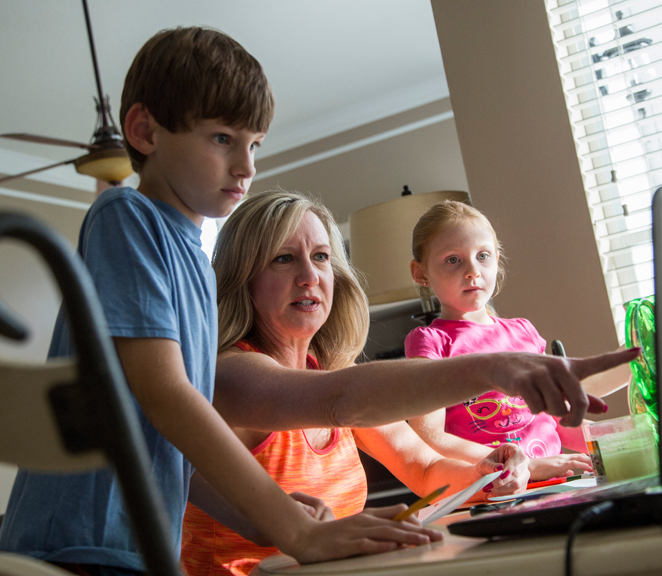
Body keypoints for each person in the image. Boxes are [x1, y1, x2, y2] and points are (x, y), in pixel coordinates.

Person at [0, 27, 443, 576]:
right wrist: (291, 527)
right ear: (143, 130)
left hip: (140, 553)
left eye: (253, 144)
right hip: (77, 545)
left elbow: (167, 438)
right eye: (222, 139)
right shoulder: (126, 218)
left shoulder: (195, 269)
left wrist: (258, 518)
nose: (246, 167)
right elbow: (165, 395)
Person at [180, 190, 532, 575]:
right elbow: (340, 399)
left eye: (320, 257)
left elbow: (424, 466)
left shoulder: (330, 372)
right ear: (244, 278)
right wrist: (493, 369)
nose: (310, 276)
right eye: (284, 259)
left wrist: (481, 473)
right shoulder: (229, 374)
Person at [404, 200, 632, 481]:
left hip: (555, 486)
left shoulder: (523, 332)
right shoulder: (431, 342)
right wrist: (514, 465)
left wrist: (618, 441)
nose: (473, 270)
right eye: (453, 259)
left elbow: (557, 420)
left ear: (497, 259)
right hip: (489, 492)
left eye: (483, 256)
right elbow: (429, 437)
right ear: (420, 273)